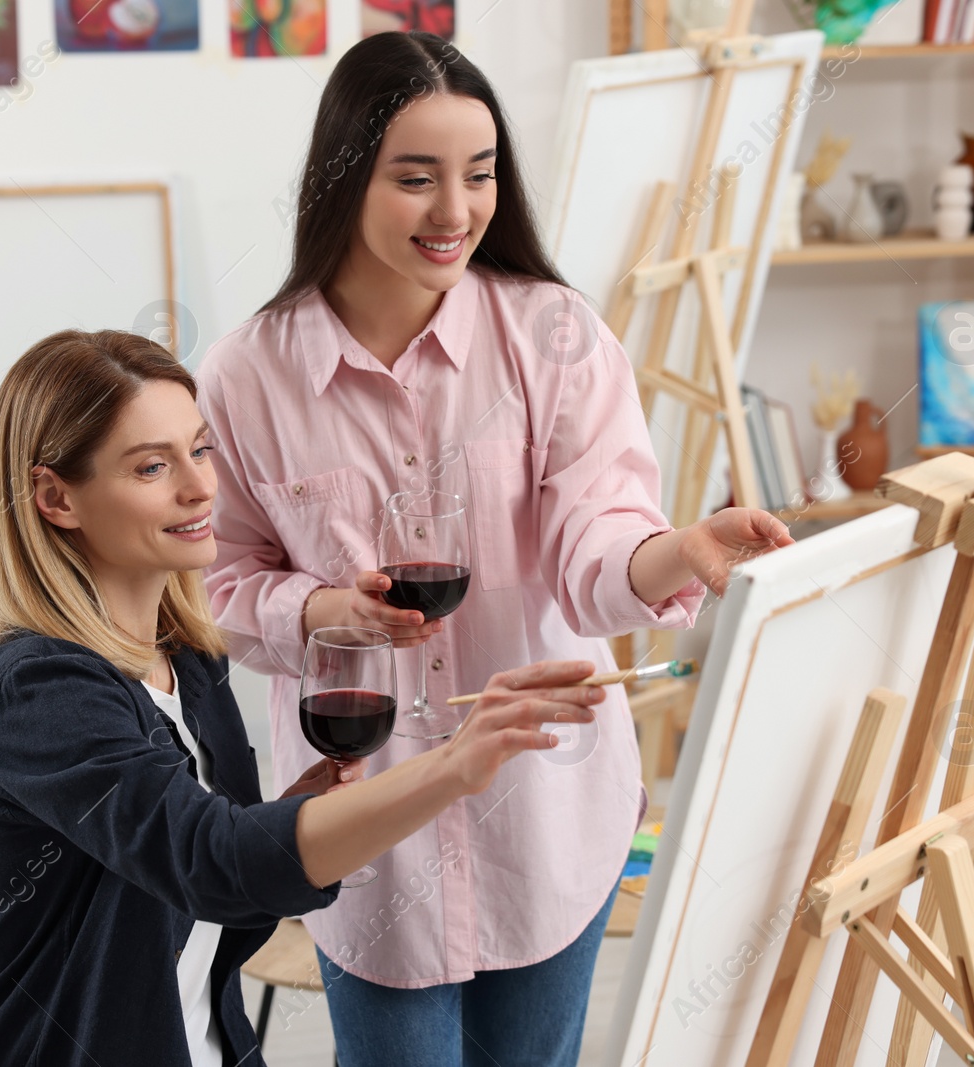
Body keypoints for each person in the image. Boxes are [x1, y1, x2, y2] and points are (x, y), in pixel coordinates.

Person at [196, 31, 794, 1066]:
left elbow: (594, 543)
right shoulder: (248, 372)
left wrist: (678, 550)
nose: (455, 211)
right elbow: (215, 583)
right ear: (344, 178)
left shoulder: (554, 334)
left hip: (543, 806)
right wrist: (320, 611)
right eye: (415, 178)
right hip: (363, 813)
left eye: (478, 176)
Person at [0, 328, 610, 1067]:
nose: (199, 488)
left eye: (199, 450)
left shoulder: (185, 658)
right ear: (55, 496)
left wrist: (295, 811)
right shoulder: (36, 692)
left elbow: (230, 888)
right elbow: (214, 865)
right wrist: (454, 765)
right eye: (152, 466)